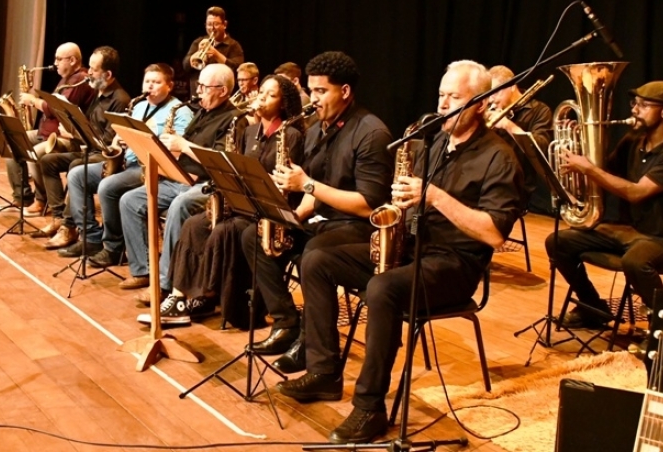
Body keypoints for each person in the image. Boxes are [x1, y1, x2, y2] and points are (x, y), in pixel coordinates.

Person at [293, 60, 523, 444]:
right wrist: (399, 208)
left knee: (383, 289)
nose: (444, 104)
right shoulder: (433, 144)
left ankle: (369, 407)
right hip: (414, 248)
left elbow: (495, 235)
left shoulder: (499, 157)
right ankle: (324, 371)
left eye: (455, 97)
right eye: (441, 95)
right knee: (317, 258)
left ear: (481, 103)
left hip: (457, 263)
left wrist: (432, 196)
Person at [239, 51, 394, 361]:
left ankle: (315, 346)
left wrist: (306, 184)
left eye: (322, 91)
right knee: (253, 236)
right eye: (311, 90)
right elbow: (316, 184)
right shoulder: (316, 130)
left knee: (314, 254)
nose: (314, 98)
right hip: (322, 220)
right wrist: (294, 215)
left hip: (358, 228)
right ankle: (286, 323)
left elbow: (368, 206)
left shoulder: (371, 134)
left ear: (345, 91)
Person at [137, 75, 305, 326]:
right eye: (262, 93)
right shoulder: (249, 131)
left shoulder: (291, 135)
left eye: (271, 95)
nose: (262, 98)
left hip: (269, 213)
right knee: (194, 225)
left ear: (284, 104)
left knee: (222, 231)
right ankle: (180, 296)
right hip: (244, 204)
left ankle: (207, 295)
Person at [118, 63, 244, 296]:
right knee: (130, 201)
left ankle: (166, 283)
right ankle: (143, 270)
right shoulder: (201, 112)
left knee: (180, 205)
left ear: (223, 91)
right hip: (181, 178)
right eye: (200, 86)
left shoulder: (234, 120)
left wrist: (183, 145)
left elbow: (221, 161)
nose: (199, 92)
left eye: (205, 87)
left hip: (208, 184)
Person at [546, 81, 663, 329]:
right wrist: (579, 144)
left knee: (635, 262)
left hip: (658, 237)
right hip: (628, 231)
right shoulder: (633, 140)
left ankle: (659, 327)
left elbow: (637, 192)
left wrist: (588, 169)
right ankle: (594, 308)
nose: (634, 109)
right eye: (634, 103)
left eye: (644, 105)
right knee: (558, 242)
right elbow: (604, 175)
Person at [60, 63, 194, 262]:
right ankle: (91, 237)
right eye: (147, 81)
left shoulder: (179, 111)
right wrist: (117, 142)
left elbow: (176, 151)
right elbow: (120, 140)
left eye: (156, 82)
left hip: (150, 167)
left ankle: (113, 247)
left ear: (170, 86)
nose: (150, 86)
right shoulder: (138, 105)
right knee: (78, 175)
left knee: (107, 186)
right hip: (128, 161)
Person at [38, 46, 131, 252]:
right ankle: (58, 216)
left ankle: (72, 228)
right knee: (48, 161)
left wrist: (76, 134)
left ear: (107, 74)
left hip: (106, 158)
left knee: (77, 166)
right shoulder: (99, 94)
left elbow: (107, 144)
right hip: (89, 150)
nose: (88, 73)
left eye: (93, 69)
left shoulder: (120, 100)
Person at [5, 42, 95, 214]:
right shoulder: (66, 78)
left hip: (65, 137)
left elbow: (58, 109)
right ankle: (22, 197)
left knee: (35, 155)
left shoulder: (80, 80)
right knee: (11, 144)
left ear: (73, 60)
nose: (55, 63)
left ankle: (42, 199)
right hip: (46, 132)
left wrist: (34, 101)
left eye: (59, 59)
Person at [487, 65, 553, 199]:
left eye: (495, 92)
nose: (491, 99)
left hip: (516, 184)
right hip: (486, 176)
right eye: (488, 95)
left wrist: (508, 125)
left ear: (512, 86)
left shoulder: (540, 110)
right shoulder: (489, 109)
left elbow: (541, 148)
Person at [182, 6, 244, 97]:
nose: (212, 28)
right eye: (209, 24)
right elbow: (185, 66)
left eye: (216, 24)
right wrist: (198, 53)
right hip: (197, 98)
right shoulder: (198, 42)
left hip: (220, 98)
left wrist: (216, 54)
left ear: (225, 24)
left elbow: (238, 69)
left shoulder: (234, 45)